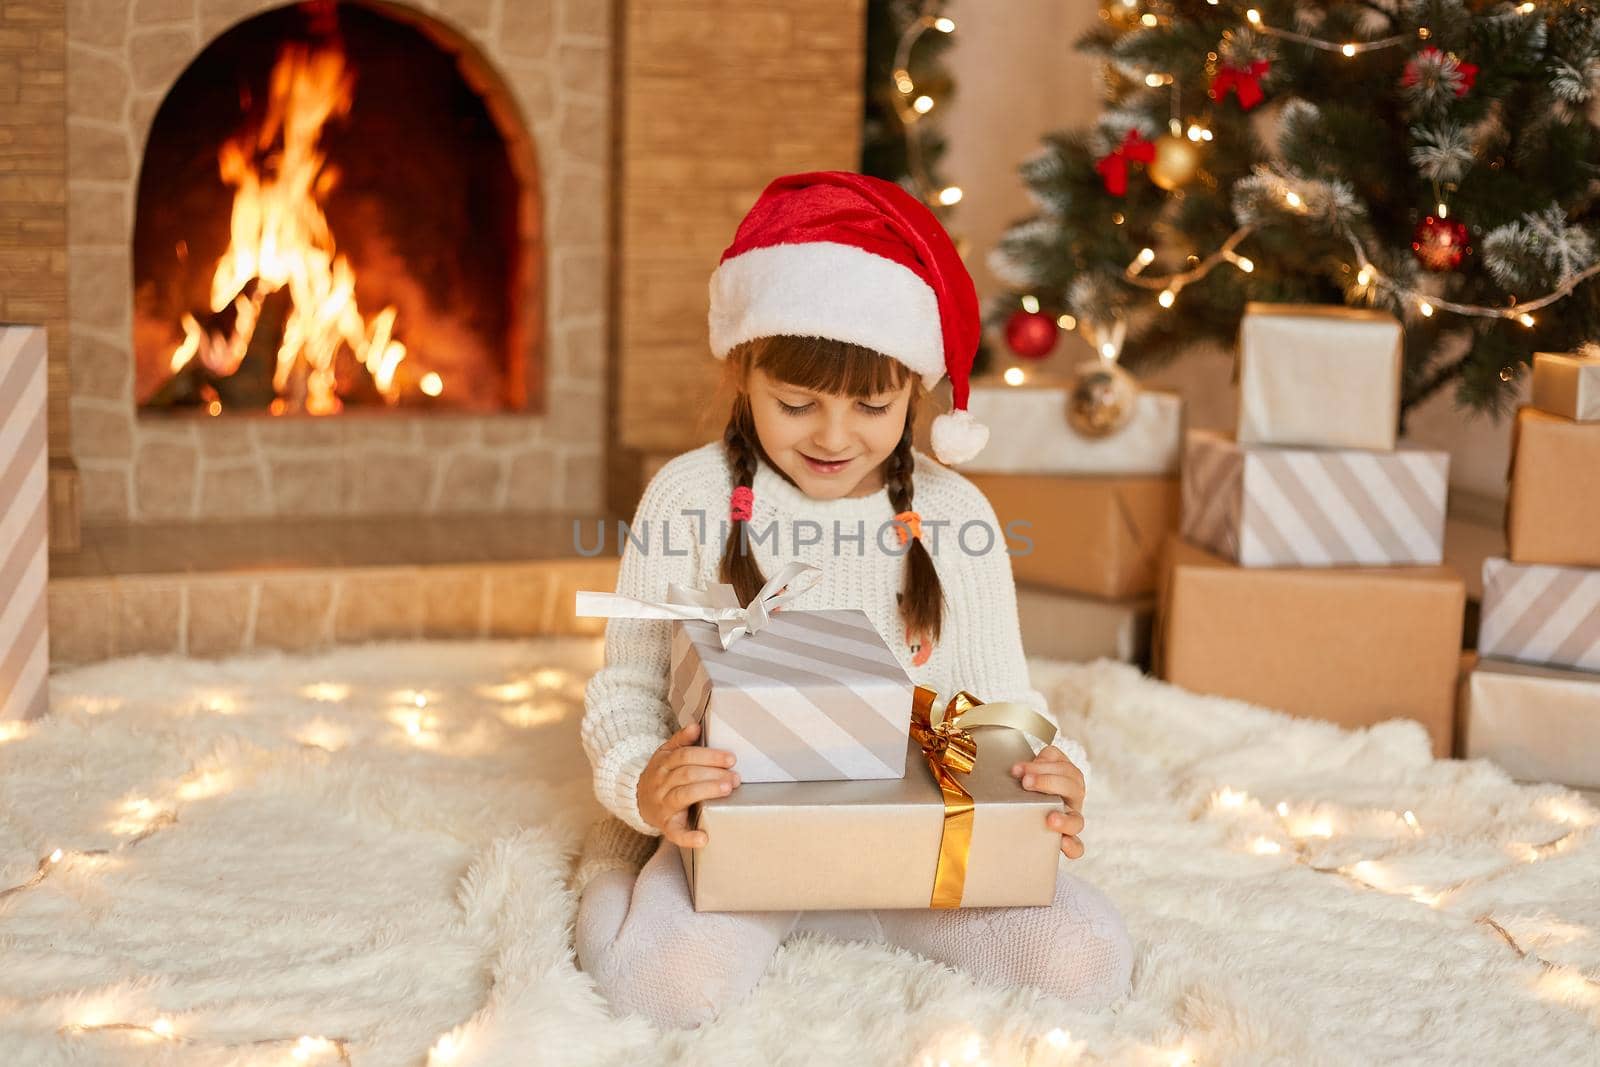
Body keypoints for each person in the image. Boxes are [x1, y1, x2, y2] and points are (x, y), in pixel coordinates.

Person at [571, 171, 1133, 1030]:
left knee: (1088, 958)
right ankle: (622, 877)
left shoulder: (955, 516)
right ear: (744, 372)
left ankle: (862, 911)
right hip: (736, 854)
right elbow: (629, 688)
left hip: (917, 853)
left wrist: (1053, 775)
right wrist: (641, 789)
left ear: (915, 390)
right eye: (796, 404)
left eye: (874, 405)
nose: (834, 437)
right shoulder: (686, 497)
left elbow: (1005, 705)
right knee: (659, 991)